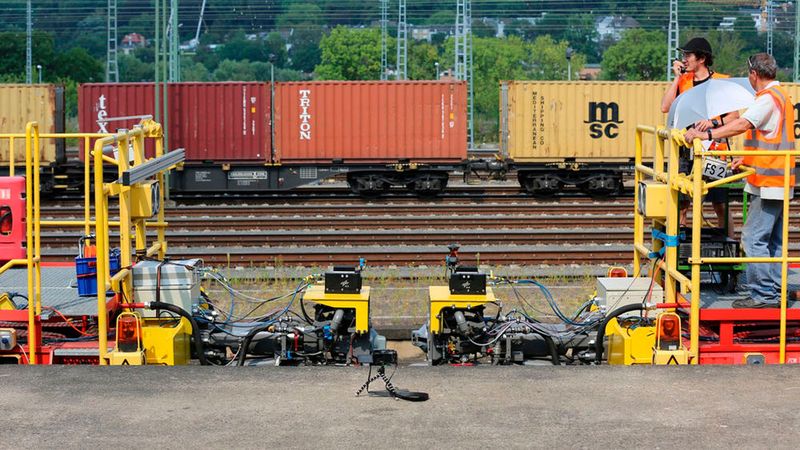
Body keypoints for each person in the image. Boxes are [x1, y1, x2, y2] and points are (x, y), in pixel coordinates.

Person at [684, 53, 795, 309]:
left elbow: (742, 124)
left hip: (769, 182)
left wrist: (707, 132)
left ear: (754, 74)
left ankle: (764, 296)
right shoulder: (781, 97)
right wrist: (745, 157)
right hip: (776, 178)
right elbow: (769, 135)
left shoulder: (768, 99)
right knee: (773, 241)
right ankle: (778, 291)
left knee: (753, 238)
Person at [661, 37, 737, 231]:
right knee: (683, 203)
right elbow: (665, 107)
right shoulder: (683, 81)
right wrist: (677, 78)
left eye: (688, 55)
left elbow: (733, 117)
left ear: (701, 58)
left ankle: (728, 247)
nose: (684, 59)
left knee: (720, 204)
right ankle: (680, 248)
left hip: (715, 152)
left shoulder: (721, 82)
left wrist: (711, 122)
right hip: (686, 151)